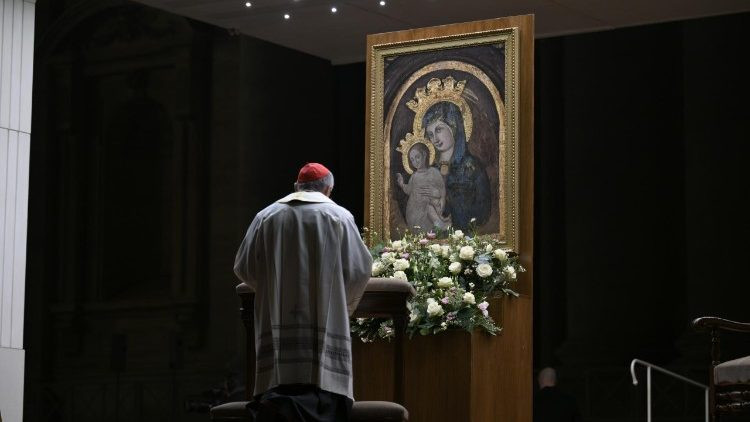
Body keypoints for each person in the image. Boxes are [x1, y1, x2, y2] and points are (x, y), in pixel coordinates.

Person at [233, 163, 373, 422]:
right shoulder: (338, 216)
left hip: (278, 325)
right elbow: (359, 270)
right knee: (323, 389)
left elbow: (244, 267)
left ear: (297, 187)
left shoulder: (266, 216)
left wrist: (271, 288)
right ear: (328, 189)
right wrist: (344, 305)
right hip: (325, 325)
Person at [422, 101, 491, 231]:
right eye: (430, 134)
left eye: (439, 130)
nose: (435, 139)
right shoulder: (431, 170)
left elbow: (483, 211)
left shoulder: (472, 167)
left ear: (453, 127)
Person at [396, 143, 451, 231]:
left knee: (430, 207)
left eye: (417, 157)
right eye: (412, 160)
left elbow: (442, 191)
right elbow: (409, 190)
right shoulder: (414, 176)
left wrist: (436, 193)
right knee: (428, 208)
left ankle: (438, 222)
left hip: (432, 209)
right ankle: (438, 223)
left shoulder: (434, 172)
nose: (415, 162)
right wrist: (402, 184)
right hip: (415, 212)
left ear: (424, 155)